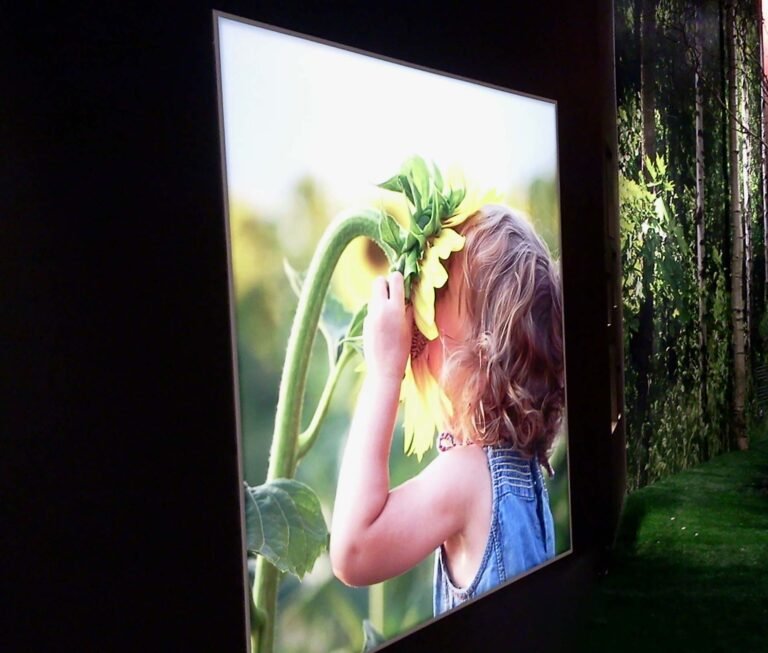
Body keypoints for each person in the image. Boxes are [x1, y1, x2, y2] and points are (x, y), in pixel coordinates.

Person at [330, 205, 565, 616]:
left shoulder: (467, 476)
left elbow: (353, 550)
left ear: (479, 356)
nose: (421, 310)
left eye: (437, 294)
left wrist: (385, 372)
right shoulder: (523, 470)